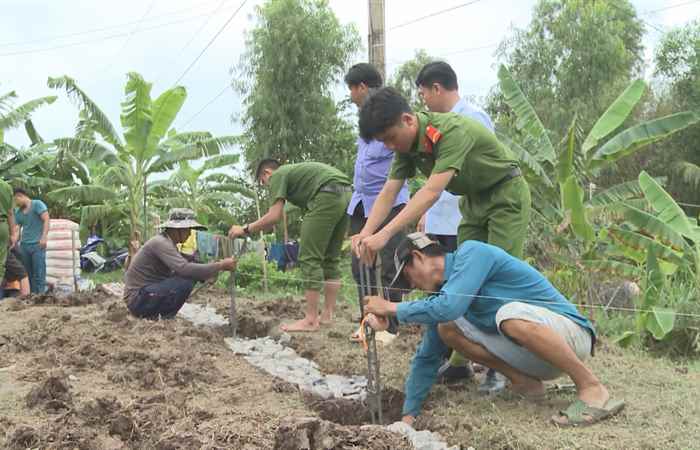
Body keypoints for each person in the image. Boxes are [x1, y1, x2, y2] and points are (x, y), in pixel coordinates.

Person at [363, 232, 625, 428]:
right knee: (447, 329)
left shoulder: (473, 253)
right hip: (538, 356)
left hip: (571, 336)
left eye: (408, 277)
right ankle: (526, 383)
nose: (414, 287)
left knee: (508, 315)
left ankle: (591, 387)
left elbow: (450, 306)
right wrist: (408, 417)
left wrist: (392, 309)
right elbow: (427, 357)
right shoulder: (446, 296)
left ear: (418, 257)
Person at [414, 61, 506, 391]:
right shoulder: (435, 128)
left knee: (476, 290)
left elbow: (482, 172)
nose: (423, 100)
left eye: (424, 92)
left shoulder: (473, 118)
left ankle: (493, 362)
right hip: (440, 217)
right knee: (442, 288)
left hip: (465, 219)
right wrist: (427, 214)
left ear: (437, 88)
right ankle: (456, 360)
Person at [229, 160, 351, 332]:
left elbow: (274, 216)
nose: (268, 187)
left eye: (264, 183)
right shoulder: (299, 177)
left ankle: (310, 320)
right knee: (331, 259)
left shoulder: (278, 175)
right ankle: (327, 316)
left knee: (309, 258)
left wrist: (245, 229)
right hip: (346, 192)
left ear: (267, 174)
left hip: (325, 195)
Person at [344, 63, 410, 338]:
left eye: (351, 88)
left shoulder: (390, 118)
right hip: (361, 203)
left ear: (362, 87)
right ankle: (368, 322)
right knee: (360, 264)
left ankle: (390, 326)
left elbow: (397, 171)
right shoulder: (365, 123)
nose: (350, 95)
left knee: (389, 263)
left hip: (389, 204)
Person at [124, 208, 236, 319]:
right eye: (187, 230)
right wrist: (220, 266)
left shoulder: (168, 243)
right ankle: (163, 315)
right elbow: (184, 268)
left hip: (144, 295)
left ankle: (162, 314)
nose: (189, 234)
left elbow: (189, 262)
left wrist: (211, 270)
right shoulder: (161, 243)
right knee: (187, 280)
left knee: (194, 267)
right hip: (137, 300)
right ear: (177, 229)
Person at [13, 188, 49, 294]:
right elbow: (17, 229)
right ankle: (31, 296)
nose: (16, 204)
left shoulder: (37, 204)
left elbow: (46, 219)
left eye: (16, 200)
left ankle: (40, 296)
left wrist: (44, 237)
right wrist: (14, 241)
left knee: (39, 273)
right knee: (27, 274)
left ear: (20, 196)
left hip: (37, 245)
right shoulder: (18, 212)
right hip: (24, 246)